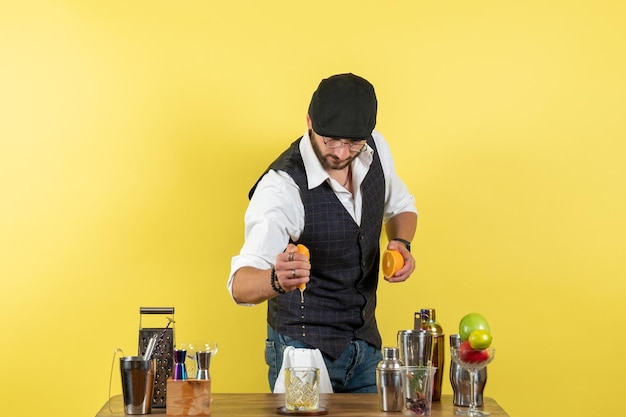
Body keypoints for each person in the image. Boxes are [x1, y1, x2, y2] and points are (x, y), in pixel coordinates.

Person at [227, 73, 417, 393]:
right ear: (309, 122)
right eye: (331, 140)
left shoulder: (375, 149)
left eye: (353, 142)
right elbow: (239, 284)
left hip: (366, 348)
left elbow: (401, 207)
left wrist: (400, 242)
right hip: (303, 352)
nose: (342, 153)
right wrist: (276, 279)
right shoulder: (282, 187)